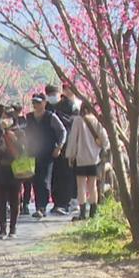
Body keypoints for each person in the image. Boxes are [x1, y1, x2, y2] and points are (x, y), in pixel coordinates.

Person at [65, 101, 109, 221]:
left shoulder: (78, 120)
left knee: (81, 186)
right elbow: (105, 140)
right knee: (92, 186)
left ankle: (82, 213)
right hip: (94, 159)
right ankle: (93, 213)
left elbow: (73, 139)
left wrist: (70, 155)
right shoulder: (96, 120)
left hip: (81, 159)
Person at [25, 93, 67, 219]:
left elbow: (62, 131)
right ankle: (38, 206)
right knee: (35, 180)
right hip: (32, 152)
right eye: (34, 103)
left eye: (38, 102)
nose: (36, 105)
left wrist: (59, 146)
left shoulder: (50, 117)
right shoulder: (29, 117)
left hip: (48, 153)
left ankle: (42, 207)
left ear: (44, 103)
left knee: (44, 180)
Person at [0, 105, 25, 239]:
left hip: (15, 170)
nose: (5, 120)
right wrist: (2, 132)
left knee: (14, 200)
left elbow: (22, 149)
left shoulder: (20, 132)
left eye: (8, 117)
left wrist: (11, 136)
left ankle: (13, 228)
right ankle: (2, 228)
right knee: (1, 200)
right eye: (3, 117)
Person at [48, 83, 78, 215]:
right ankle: (58, 203)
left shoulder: (69, 105)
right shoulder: (51, 106)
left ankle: (63, 203)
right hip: (56, 145)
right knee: (56, 175)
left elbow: (71, 123)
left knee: (64, 175)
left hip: (65, 145)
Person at [12, 103, 33, 215]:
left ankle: (21, 203)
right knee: (26, 182)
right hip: (24, 153)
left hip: (19, 154)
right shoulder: (25, 121)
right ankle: (24, 203)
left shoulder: (19, 122)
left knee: (20, 181)